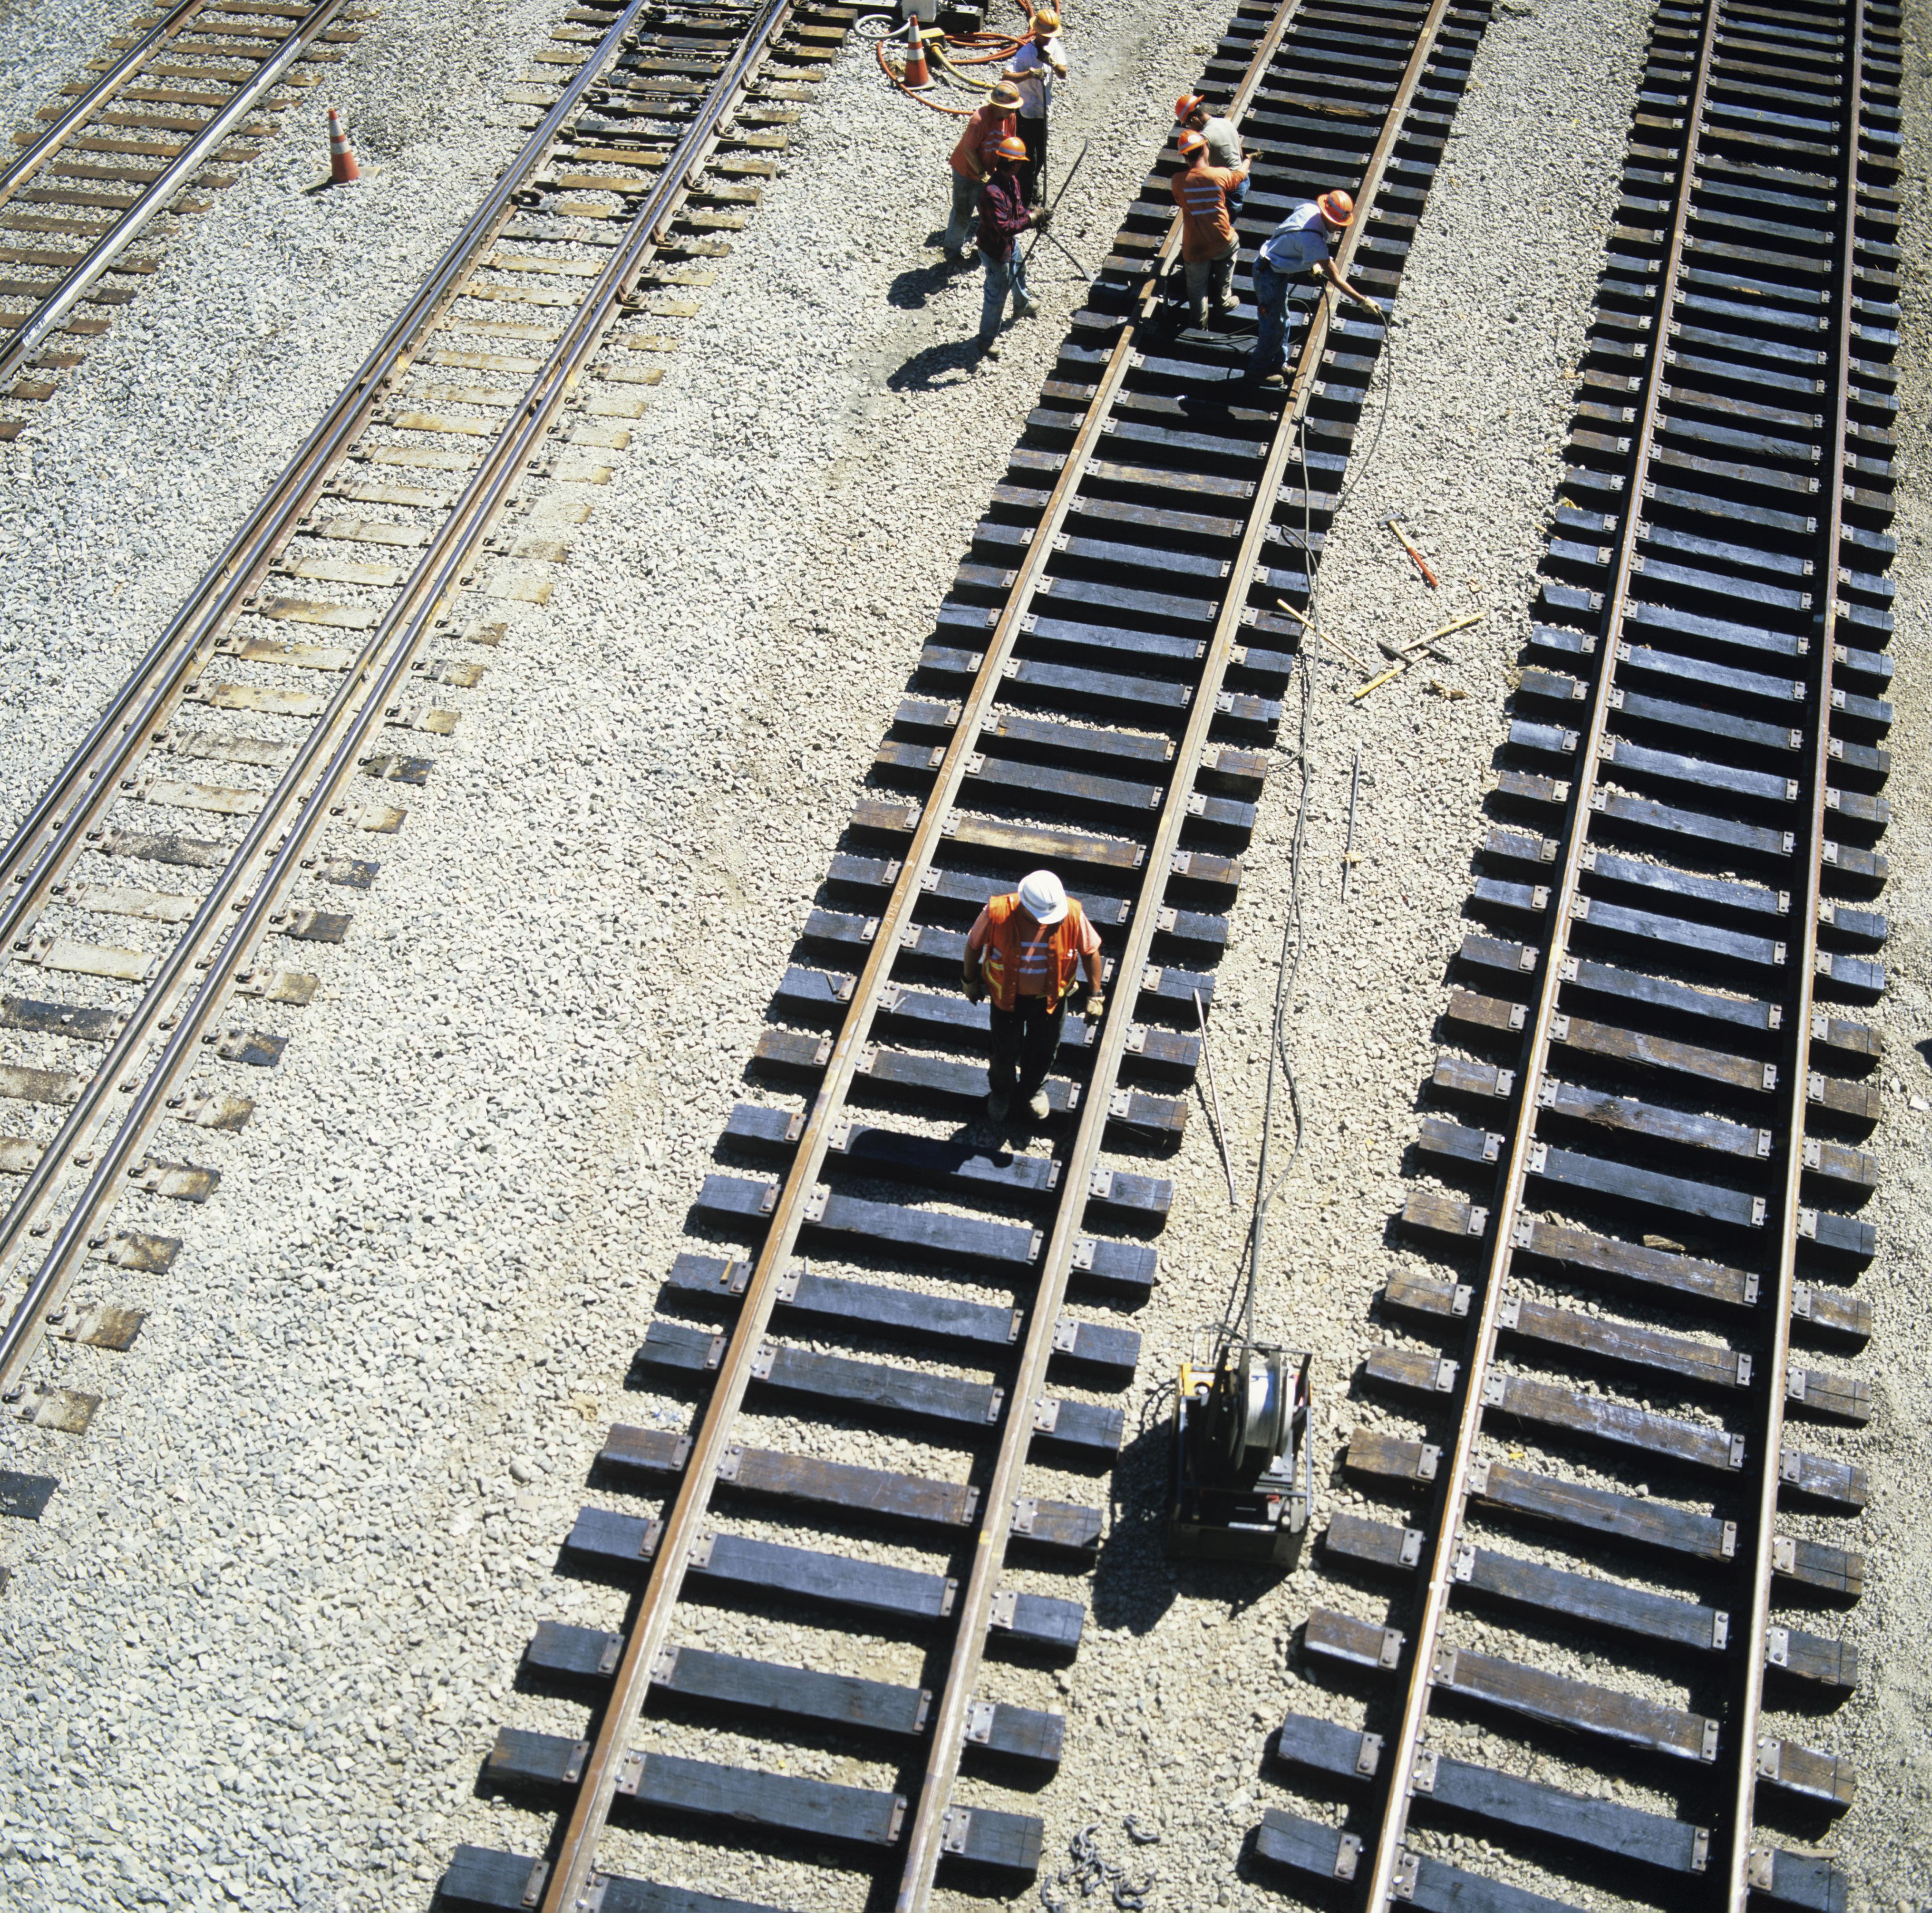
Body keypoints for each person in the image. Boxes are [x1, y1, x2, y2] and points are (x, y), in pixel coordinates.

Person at [962, 869, 1105, 1125]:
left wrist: (1096, 994)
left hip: (1050, 1002)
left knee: (1044, 1050)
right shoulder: (996, 912)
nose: (1047, 921)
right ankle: (1002, 1092)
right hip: (1006, 1001)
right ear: (1024, 905)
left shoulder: (1071, 913)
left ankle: (1033, 1089)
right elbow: (973, 946)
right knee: (1003, 1053)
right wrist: (969, 981)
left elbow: (1090, 951)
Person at [1248, 189, 1372, 386]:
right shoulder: (1313, 240)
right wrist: (1362, 300)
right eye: (1338, 224)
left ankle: (1279, 363)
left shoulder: (1309, 209)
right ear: (1328, 216)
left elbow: (1291, 235)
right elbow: (1336, 278)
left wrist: (1312, 261)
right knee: (1273, 327)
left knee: (1283, 321)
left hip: (1272, 268)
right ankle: (1256, 372)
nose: (1339, 229)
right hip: (1268, 277)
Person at [974, 132, 1048, 361]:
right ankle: (985, 341)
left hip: (1009, 245)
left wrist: (1035, 215)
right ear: (1013, 163)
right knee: (996, 295)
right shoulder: (992, 193)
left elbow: (1017, 213)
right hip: (995, 251)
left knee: (1020, 269)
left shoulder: (1011, 182)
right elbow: (1005, 227)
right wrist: (1032, 221)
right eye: (1020, 163)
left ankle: (1022, 304)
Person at [1170, 127, 1249, 331]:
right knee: (1232, 245)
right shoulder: (1220, 175)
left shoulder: (1178, 181)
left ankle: (1198, 325)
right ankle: (1223, 300)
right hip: (1222, 241)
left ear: (1185, 157)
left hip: (1194, 248)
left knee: (1196, 289)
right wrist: (1249, 160)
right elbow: (1239, 177)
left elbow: (1181, 200)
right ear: (1205, 150)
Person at [944, 80, 1023, 264]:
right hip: (967, 173)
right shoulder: (979, 120)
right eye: (1010, 108)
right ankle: (952, 251)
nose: (1013, 111)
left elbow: (1008, 145)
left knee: (989, 213)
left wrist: (1004, 173)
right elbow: (968, 150)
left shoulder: (1010, 118)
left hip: (989, 171)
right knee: (963, 213)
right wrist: (981, 174)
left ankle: (985, 248)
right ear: (997, 105)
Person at [1004, 6, 1066, 207]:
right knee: (1029, 159)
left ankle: (1031, 189)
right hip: (1026, 113)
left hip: (1042, 112)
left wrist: (1053, 63)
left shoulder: (1054, 46)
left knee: (1040, 159)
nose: (1048, 39)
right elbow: (1007, 77)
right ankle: (1026, 200)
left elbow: (1063, 73)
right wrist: (1029, 74)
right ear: (1037, 32)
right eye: (1046, 35)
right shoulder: (1025, 54)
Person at [1174, 93, 1246, 215]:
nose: (1190, 128)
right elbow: (1240, 154)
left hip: (1228, 188)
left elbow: (1203, 170)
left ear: (1194, 119)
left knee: (1225, 223)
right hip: (1243, 179)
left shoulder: (1204, 137)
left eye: (1188, 124)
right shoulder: (1226, 123)